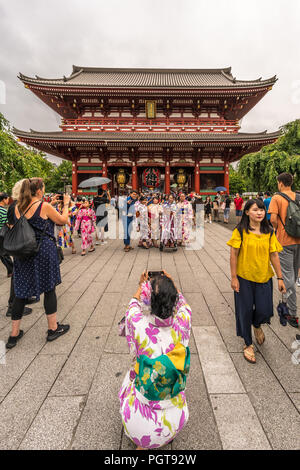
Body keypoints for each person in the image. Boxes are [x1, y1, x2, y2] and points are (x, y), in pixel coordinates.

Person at [119, 270, 191, 450]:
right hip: (177, 420)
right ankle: (165, 433)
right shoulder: (184, 321)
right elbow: (183, 304)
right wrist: (172, 284)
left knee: (130, 377)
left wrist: (141, 285)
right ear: (173, 300)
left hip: (137, 429)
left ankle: (143, 440)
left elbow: (132, 305)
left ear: (149, 300)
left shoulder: (137, 323)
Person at [6, 178, 70, 349]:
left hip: (23, 252)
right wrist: (66, 205)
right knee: (49, 289)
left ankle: (13, 334)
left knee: (20, 292)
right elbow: (62, 220)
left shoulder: (17, 207)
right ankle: (53, 328)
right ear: (40, 191)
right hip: (43, 251)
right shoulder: (43, 206)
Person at [227, 198, 286, 363]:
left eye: (261, 209)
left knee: (264, 309)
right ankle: (247, 343)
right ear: (247, 212)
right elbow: (234, 255)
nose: (259, 212)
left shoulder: (269, 231)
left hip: (264, 277)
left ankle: (257, 325)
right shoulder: (240, 231)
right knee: (244, 311)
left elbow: (274, 254)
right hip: (244, 278)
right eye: (255, 210)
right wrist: (233, 277)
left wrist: (280, 278)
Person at [268, 172, 300, 328]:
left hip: (284, 241)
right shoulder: (299, 196)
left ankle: (292, 313)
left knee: (287, 276)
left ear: (280, 183)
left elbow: (273, 219)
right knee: (294, 274)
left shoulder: (277, 198)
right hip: (298, 240)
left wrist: (278, 229)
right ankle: (286, 301)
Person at [0, 192, 13, 277]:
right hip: (2, 234)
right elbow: (8, 224)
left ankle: (11, 270)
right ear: (4, 199)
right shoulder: (3, 211)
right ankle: (11, 270)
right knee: (4, 253)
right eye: (7, 198)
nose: (8, 200)